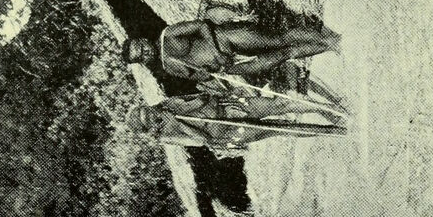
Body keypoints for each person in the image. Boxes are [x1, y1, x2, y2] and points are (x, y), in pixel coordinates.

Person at [121, 3, 341, 83]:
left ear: (142, 40)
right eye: (140, 56)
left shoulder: (168, 34)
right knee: (286, 54)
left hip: (227, 39)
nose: (144, 52)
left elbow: (201, 25)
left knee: (280, 39)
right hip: (231, 66)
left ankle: (332, 39)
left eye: (140, 47)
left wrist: (216, 51)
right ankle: (330, 46)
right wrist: (213, 70)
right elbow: (200, 77)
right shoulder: (169, 68)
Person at [134, 87, 348, 149]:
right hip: (227, 133)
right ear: (148, 126)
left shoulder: (166, 103)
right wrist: (178, 121)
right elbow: (201, 141)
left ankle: (334, 110)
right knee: (280, 127)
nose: (152, 114)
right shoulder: (166, 136)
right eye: (148, 119)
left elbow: (200, 98)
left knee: (279, 104)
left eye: (148, 111)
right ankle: (337, 132)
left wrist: (210, 99)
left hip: (229, 107)